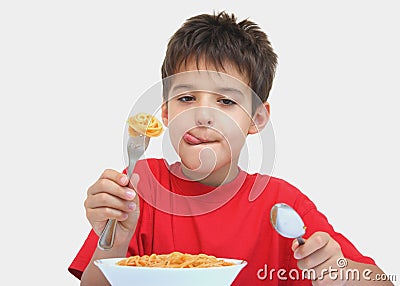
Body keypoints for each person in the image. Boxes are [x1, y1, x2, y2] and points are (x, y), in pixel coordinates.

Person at [69, 12, 392, 285]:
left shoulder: (281, 204)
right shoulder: (139, 185)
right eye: (186, 98)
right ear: (165, 113)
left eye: (226, 101)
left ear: (257, 118)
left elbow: (379, 280)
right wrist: (114, 239)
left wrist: (334, 270)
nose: (203, 115)